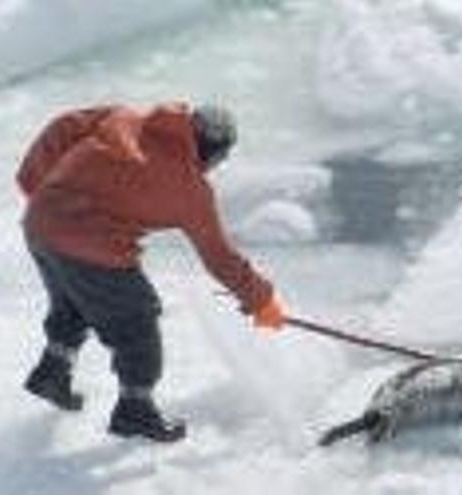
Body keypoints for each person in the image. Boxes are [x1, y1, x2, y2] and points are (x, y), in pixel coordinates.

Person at [17, 102, 287, 443]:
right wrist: (260, 301)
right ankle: (136, 409)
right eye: (220, 158)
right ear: (210, 150)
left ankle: (53, 370)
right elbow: (220, 258)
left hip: (40, 225)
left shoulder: (126, 117)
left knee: (73, 300)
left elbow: (63, 127)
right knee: (138, 320)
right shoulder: (191, 191)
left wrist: (42, 189)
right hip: (91, 243)